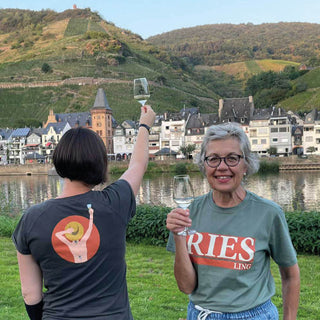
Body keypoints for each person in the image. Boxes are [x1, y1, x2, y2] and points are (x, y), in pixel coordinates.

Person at [12, 105, 155, 320]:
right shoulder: (115, 203)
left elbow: (30, 293)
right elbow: (137, 165)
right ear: (101, 164)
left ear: (59, 160)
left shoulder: (31, 219)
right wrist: (144, 125)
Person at [166, 122, 300, 320]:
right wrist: (179, 236)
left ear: (246, 164)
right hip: (200, 314)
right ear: (204, 165)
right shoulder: (188, 213)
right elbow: (186, 287)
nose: (222, 167)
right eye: (213, 159)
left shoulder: (268, 213)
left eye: (232, 158)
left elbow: (290, 275)